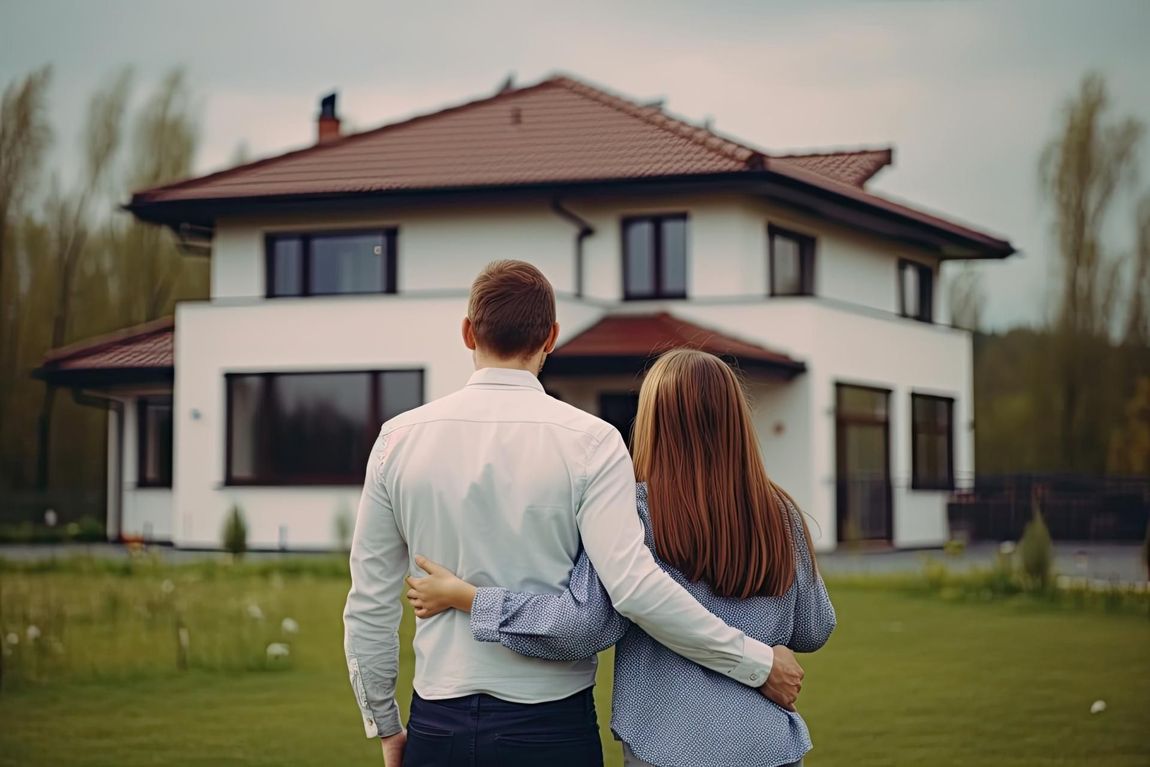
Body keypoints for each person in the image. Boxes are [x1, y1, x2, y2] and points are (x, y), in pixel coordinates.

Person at [343, 261, 806, 767]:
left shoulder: (397, 440)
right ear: (552, 337)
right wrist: (756, 661)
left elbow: (370, 601)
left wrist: (386, 726)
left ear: (467, 332)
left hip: (438, 723)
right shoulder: (593, 442)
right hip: (551, 729)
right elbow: (633, 589)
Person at [407, 348, 836, 767]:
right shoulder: (781, 513)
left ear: (653, 423)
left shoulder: (635, 513)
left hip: (669, 745)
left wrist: (468, 597)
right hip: (771, 745)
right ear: (736, 421)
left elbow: (582, 627)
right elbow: (815, 628)